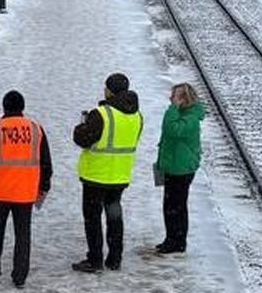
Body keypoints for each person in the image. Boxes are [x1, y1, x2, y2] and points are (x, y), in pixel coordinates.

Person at [0, 90, 52, 289]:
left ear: (4, 106)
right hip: (25, 191)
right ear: (22, 107)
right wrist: (43, 185)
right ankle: (20, 275)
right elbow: (46, 163)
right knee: (23, 233)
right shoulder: (36, 129)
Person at [71, 71, 143, 273]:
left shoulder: (101, 114)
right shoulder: (137, 116)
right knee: (114, 216)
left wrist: (81, 126)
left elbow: (82, 139)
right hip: (120, 175)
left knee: (93, 218)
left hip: (96, 176)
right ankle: (115, 258)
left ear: (110, 91)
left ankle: (95, 259)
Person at [155, 82, 207, 254]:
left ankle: (175, 241)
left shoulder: (190, 117)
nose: (171, 99)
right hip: (175, 165)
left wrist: (173, 108)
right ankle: (173, 239)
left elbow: (172, 129)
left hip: (181, 168)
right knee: (173, 205)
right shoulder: (184, 114)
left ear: (183, 98)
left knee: (175, 207)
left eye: (175, 96)